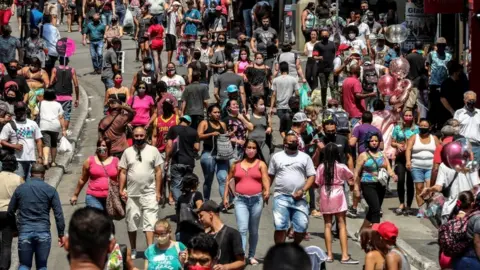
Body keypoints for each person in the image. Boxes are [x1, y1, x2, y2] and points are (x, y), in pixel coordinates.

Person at [7, 164, 65, 270]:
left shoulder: (20, 189)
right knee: (42, 266)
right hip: (43, 232)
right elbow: (58, 214)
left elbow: (10, 211)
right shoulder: (50, 190)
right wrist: (61, 234)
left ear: (30, 174)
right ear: (44, 174)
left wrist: (14, 229)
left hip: (25, 231)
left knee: (24, 265)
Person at [223, 139, 270, 265]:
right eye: (249, 147)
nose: (251, 150)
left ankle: (252, 255)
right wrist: (225, 197)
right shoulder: (236, 164)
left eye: (254, 148)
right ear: (244, 149)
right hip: (240, 200)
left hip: (256, 200)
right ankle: (241, 257)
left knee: (253, 230)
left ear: (257, 150)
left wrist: (267, 191)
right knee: (242, 229)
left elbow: (265, 179)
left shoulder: (261, 164)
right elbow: (228, 180)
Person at [119, 127, 163, 259]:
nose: (139, 138)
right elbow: (123, 172)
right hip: (132, 195)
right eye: (136, 136)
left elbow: (158, 172)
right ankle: (133, 248)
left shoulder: (153, 151)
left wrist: (158, 192)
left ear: (146, 136)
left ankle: (150, 250)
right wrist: (121, 189)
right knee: (132, 222)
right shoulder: (127, 152)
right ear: (133, 136)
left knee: (150, 222)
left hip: (149, 193)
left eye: (141, 135)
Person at [314, 143, 359, 264]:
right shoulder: (341, 166)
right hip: (338, 192)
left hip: (325, 193)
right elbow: (350, 178)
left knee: (327, 224)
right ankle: (344, 255)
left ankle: (329, 255)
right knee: (342, 224)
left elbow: (317, 182)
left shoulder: (321, 167)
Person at [268, 133, 316, 244]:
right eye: (291, 141)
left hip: (300, 198)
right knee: (280, 226)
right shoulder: (277, 157)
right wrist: (265, 191)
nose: (294, 143)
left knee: (302, 226)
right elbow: (270, 175)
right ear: (285, 143)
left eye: (296, 141)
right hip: (281, 196)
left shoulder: (305, 157)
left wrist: (303, 190)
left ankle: (294, 247)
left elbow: (311, 176)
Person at [354, 132, 396, 233]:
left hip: (380, 185)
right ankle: (375, 236)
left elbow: (388, 168)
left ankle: (361, 233)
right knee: (376, 210)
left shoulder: (382, 154)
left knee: (374, 210)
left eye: (376, 141)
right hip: (367, 184)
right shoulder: (363, 155)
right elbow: (356, 173)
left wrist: (393, 175)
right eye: (372, 141)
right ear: (368, 142)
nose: (374, 143)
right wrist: (356, 188)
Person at [70, 137, 119, 211]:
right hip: (93, 197)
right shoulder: (90, 161)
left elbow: (122, 178)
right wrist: (75, 195)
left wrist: (123, 190)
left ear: (108, 147)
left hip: (110, 197)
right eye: (99, 145)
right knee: (98, 219)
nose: (101, 148)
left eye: (104, 146)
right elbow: (82, 179)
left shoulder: (116, 161)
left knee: (107, 221)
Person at [0, 101, 43, 180]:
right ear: (15, 112)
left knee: (30, 183)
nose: (20, 112)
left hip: (31, 159)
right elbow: (2, 140)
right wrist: (13, 146)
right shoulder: (9, 125)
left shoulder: (33, 124)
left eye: (22, 110)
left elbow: (38, 140)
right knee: (19, 182)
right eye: (18, 111)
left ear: (25, 110)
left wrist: (40, 156)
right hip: (17, 160)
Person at [197, 200, 246, 269]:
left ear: (211, 214)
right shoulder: (205, 236)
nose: (200, 219)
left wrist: (225, 267)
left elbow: (241, 262)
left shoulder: (232, 233)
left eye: (201, 216)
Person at [405, 118, 439, 218]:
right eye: (421, 126)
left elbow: (439, 150)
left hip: (430, 167)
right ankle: (421, 209)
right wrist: (408, 161)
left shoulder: (434, 138)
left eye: (425, 126)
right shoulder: (414, 137)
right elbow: (408, 149)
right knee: (419, 188)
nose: (423, 128)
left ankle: (429, 208)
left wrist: (437, 164)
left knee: (429, 189)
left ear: (430, 127)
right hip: (416, 166)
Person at [165, 115, 199, 201]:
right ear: (189, 122)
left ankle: (180, 203)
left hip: (177, 161)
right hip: (189, 162)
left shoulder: (173, 129)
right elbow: (197, 147)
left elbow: (169, 146)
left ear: (180, 120)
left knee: (176, 186)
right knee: (187, 184)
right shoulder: (194, 132)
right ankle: (187, 203)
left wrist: (167, 159)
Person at [391, 110, 419, 215]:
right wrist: (397, 145)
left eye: (410, 115)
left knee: (410, 182)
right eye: (406, 115)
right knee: (401, 180)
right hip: (400, 158)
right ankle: (401, 203)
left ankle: (409, 206)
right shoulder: (397, 128)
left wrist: (409, 146)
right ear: (403, 117)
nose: (408, 117)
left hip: (412, 158)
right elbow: (392, 142)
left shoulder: (416, 129)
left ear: (413, 117)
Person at [0, 156, 23, 270]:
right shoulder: (18, 179)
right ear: (14, 166)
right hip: (8, 214)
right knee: (6, 244)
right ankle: (3, 267)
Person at [427, 37, 452, 130]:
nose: (441, 47)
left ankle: (442, 124)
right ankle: (432, 124)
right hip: (434, 83)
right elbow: (428, 66)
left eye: (443, 45)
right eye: (439, 45)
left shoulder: (449, 56)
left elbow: (450, 67)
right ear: (436, 46)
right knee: (433, 105)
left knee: (444, 106)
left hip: (445, 83)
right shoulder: (431, 54)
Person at [50, 56, 80, 131]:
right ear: (68, 61)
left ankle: (56, 132)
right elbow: (76, 85)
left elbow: (51, 82)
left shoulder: (55, 69)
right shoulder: (72, 70)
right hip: (68, 97)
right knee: (67, 115)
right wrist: (77, 98)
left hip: (56, 96)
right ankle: (64, 132)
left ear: (59, 61)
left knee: (56, 115)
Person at [39, 89, 66, 168]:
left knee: (46, 144)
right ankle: (53, 161)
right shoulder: (58, 105)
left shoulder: (41, 103)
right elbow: (61, 117)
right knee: (54, 144)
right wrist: (63, 129)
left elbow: (35, 113)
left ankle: (46, 160)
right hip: (55, 126)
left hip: (44, 126)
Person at [439, 62, 468, 127]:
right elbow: (443, 99)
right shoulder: (446, 83)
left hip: (460, 113)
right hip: (448, 114)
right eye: (460, 71)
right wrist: (452, 111)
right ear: (455, 72)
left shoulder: (461, 83)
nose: (461, 73)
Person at [454, 91, 480, 163]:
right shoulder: (458, 113)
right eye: (469, 100)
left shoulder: (479, 113)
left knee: (475, 170)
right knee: (463, 169)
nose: (471, 102)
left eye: (473, 100)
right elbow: (455, 130)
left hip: (477, 146)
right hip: (463, 146)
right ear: (464, 100)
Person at [312, 29, 337, 104]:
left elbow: (335, 54)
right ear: (320, 36)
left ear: (329, 35)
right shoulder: (317, 45)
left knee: (332, 86)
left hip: (331, 69)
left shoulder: (332, 44)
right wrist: (319, 57)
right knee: (323, 87)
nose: (325, 36)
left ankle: (334, 102)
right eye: (323, 35)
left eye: (326, 35)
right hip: (321, 70)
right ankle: (324, 104)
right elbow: (314, 56)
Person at [247, 96, 272, 163]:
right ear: (255, 105)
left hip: (263, 144)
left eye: (263, 104)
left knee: (266, 161)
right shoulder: (249, 116)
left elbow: (270, 126)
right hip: (252, 145)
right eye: (261, 104)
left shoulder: (266, 116)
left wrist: (269, 128)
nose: (263, 106)